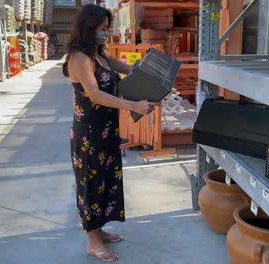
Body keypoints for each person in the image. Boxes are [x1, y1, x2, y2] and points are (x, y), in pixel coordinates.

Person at [62, 4, 156, 262]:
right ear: (88, 27)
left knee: (106, 180)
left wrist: (156, 75)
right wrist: (133, 106)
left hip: (106, 130)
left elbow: (130, 71)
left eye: (107, 27)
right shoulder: (80, 58)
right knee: (90, 185)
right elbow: (95, 94)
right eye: (102, 28)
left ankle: (99, 230)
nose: (106, 32)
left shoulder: (100, 54)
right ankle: (93, 242)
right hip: (88, 134)